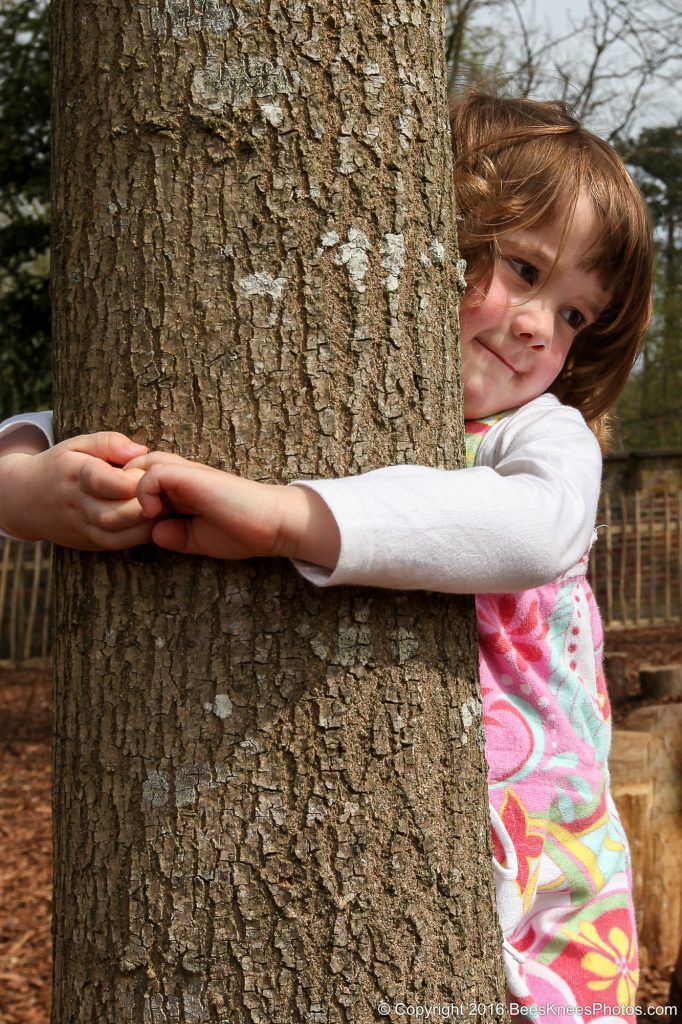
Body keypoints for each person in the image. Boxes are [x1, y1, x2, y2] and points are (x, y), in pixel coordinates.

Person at [0, 91, 653, 1017]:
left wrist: (285, 519)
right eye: (521, 267)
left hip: (556, 868)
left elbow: (541, 528)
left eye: (578, 315)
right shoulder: (323, 369)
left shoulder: (539, 435)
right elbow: (113, 419)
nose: (542, 326)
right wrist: (29, 491)